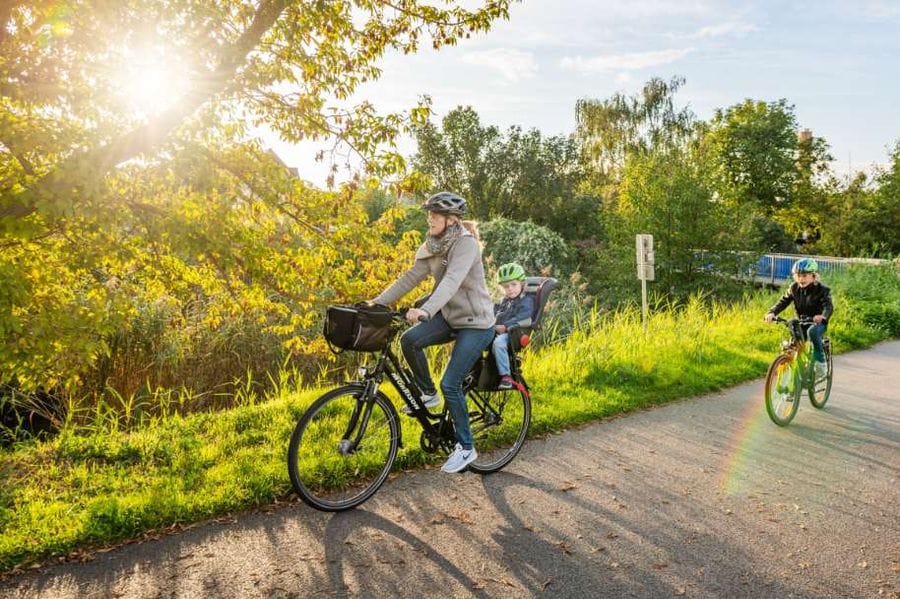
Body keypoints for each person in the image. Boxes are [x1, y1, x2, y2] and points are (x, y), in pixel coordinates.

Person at [372, 191, 495, 474]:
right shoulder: (433, 245)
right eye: (429, 215)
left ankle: (466, 447)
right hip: (451, 318)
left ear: (451, 220)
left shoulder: (466, 245)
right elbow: (409, 279)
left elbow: (451, 282)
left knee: (451, 383)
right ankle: (428, 394)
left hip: (476, 324)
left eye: (434, 215)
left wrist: (426, 310)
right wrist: (376, 302)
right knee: (410, 340)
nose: (429, 219)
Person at [764, 258, 834, 379]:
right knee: (792, 345)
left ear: (813, 276)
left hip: (818, 323)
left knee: (812, 332)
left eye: (804, 275)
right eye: (798, 276)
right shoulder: (794, 288)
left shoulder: (822, 290)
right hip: (801, 320)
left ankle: (821, 365)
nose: (801, 279)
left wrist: (823, 316)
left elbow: (828, 307)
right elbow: (783, 302)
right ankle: (793, 382)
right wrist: (772, 312)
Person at [491, 263, 534, 390]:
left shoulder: (526, 301)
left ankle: (506, 376)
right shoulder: (505, 300)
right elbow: (496, 312)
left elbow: (524, 316)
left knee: (498, 344)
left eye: (513, 285)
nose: (510, 289)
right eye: (506, 286)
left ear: (522, 283)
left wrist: (505, 326)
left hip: (513, 334)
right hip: (499, 330)